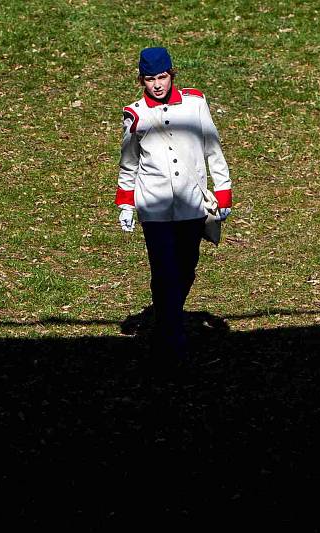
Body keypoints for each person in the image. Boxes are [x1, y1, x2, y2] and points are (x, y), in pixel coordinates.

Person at [115, 47, 233, 366]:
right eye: (151, 79)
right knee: (164, 271)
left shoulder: (195, 103)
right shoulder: (135, 114)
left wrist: (223, 191)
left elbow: (213, 148)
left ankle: (167, 321)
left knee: (186, 268)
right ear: (142, 80)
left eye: (162, 77)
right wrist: (126, 203)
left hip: (191, 203)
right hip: (154, 207)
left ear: (172, 75)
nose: (157, 85)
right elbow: (129, 163)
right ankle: (173, 337)